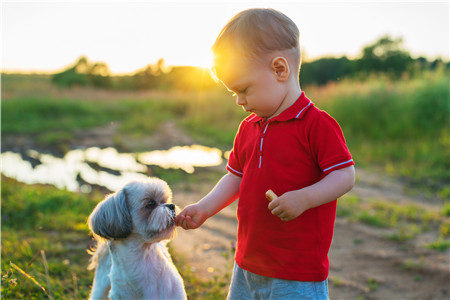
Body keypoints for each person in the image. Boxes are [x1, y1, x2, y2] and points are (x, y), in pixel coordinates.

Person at [175, 8, 355, 299]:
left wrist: (305, 197)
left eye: (244, 89)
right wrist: (205, 208)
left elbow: (345, 175)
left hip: (296, 272)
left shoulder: (316, 125)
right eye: (233, 92)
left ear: (280, 70)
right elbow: (235, 179)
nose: (239, 100)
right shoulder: (248, 127)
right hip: (247, 265)